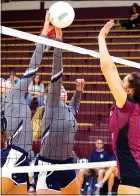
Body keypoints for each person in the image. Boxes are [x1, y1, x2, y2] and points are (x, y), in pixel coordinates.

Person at [98, 20, 140, 195]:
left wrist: (101, 37)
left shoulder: (126, 105)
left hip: (134, 176)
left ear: (128, 90)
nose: (119, 80)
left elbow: (106, 67)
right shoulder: (138, 107)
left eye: (123, 80)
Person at [34, 11, 85, 195]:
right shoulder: (52, 103)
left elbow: (75, 108)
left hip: (67, 164)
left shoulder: (67, 109)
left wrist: (78, 90)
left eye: (64, 89)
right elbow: (57, 71)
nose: (63, 89)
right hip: (49, 165)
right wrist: (59, 40)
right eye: (60, 89)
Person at [0, 11, 47, 194]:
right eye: (3, 81)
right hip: (14, 154)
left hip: (20, 154)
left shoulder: (15, 95)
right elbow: (33, 65)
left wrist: (44, 33)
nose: (6, 81)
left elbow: (33, 66)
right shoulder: (10, 98)